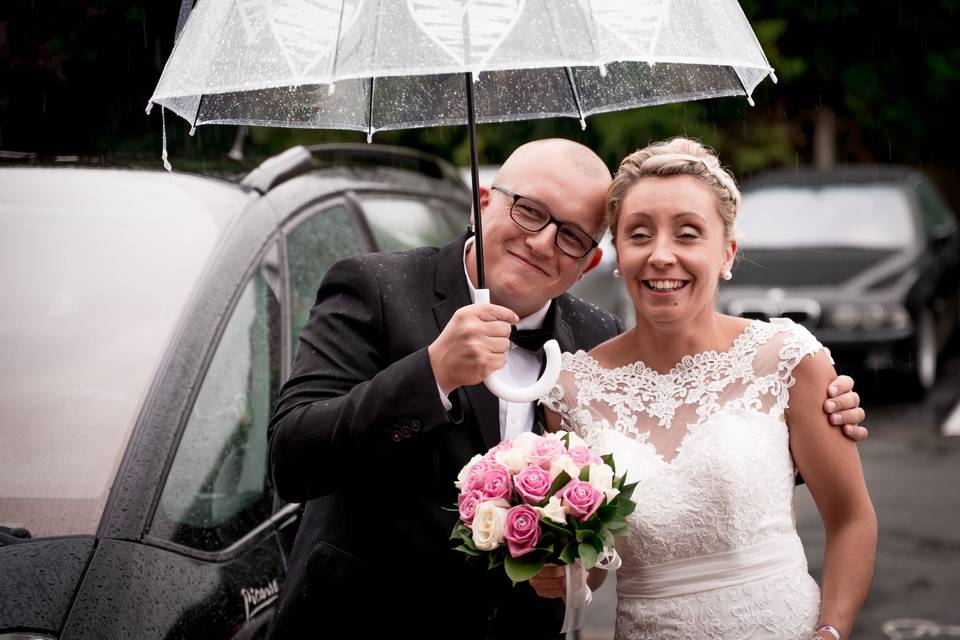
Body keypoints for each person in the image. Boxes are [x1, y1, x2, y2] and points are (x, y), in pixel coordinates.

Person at [266, 139, 867, 639]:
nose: (541, 241)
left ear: (587, 265)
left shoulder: (591, 342)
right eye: (528, 210)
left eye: (573, 235)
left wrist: (808, 422)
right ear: (483, 203)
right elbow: (292, 458)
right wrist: (433, 372)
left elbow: (667, 473)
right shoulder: (374, 288)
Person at [534, 138, 877, 640]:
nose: (661, 255)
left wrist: (831, 631)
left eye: (688, 234)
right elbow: (597, 563)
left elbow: (851, 518)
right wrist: (558, 571)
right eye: (639, 234)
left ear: (727, 253)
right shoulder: (570, 391)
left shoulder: (786, 357)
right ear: (618, 255)